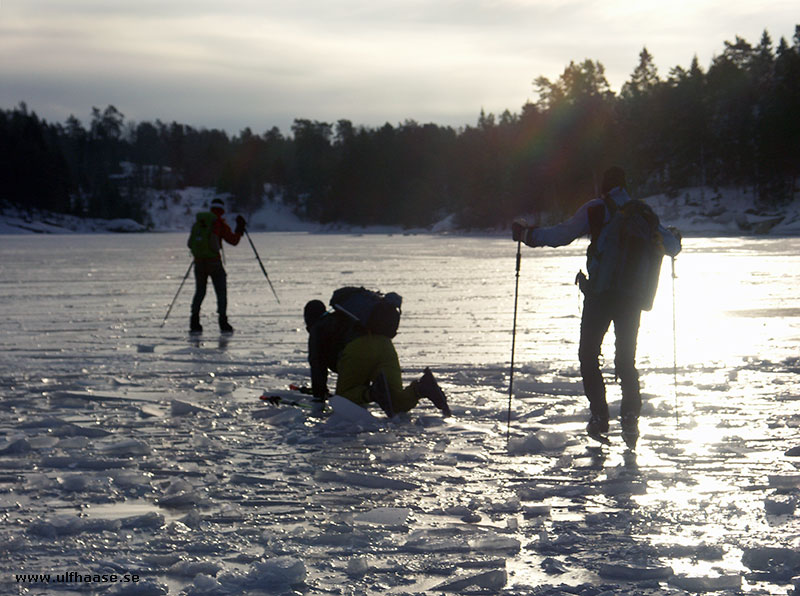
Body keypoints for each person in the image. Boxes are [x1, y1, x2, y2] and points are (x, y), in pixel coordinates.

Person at [511, 166, 681, 448]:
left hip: (600, 295)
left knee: (588, 355)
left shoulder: (596, 208)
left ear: (603, 184)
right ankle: (630, 420)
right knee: (626, 360)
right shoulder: (643, 213)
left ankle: (600, 417)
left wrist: (527, 235)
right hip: (631, 297)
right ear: (625, 185)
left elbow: (561, 235)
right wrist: (674, 234)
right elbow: (672, 246)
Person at [303, 297, 451, 418]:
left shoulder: (319, 326)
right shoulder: (352, 318)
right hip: (385, 345)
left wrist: (318, 400)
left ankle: (373, 393)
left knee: (344, 399)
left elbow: (317, 365)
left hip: (358, 349)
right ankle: (422, 388)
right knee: (395, 403)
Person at [187, 197, 246, 334]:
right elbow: (233, 241)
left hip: (199, 262)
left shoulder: (200, 222)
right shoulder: (218, 223)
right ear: (222, 210)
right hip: (214, 262)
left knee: (200, 292)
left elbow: (190, 243)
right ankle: (223, 322)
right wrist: (240, 229)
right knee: (221, 292)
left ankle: (194, 321)